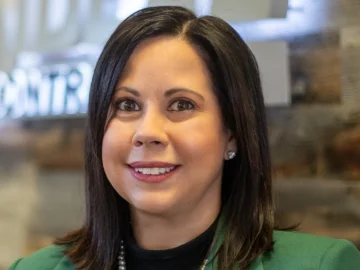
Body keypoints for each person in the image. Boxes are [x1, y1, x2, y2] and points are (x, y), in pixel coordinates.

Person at [9, 5, 360, 270]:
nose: (147, 132)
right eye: (127, 104)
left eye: (181, 104)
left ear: (233, 134)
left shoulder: (321, 264)